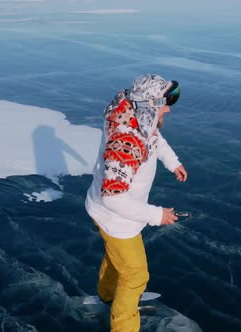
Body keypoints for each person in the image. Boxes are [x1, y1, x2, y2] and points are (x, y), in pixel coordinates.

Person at [85, 73, 188, 331]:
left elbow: (154, 139)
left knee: (114, 257)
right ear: (149, 106)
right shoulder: (125, 142)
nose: (168, 109)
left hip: (106, 212)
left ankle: (107, 296)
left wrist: (173, 162)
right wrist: (156, 215)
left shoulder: (138, 117)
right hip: (117, 219)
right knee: (135, 275)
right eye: (165, 102)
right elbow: (114, 197)